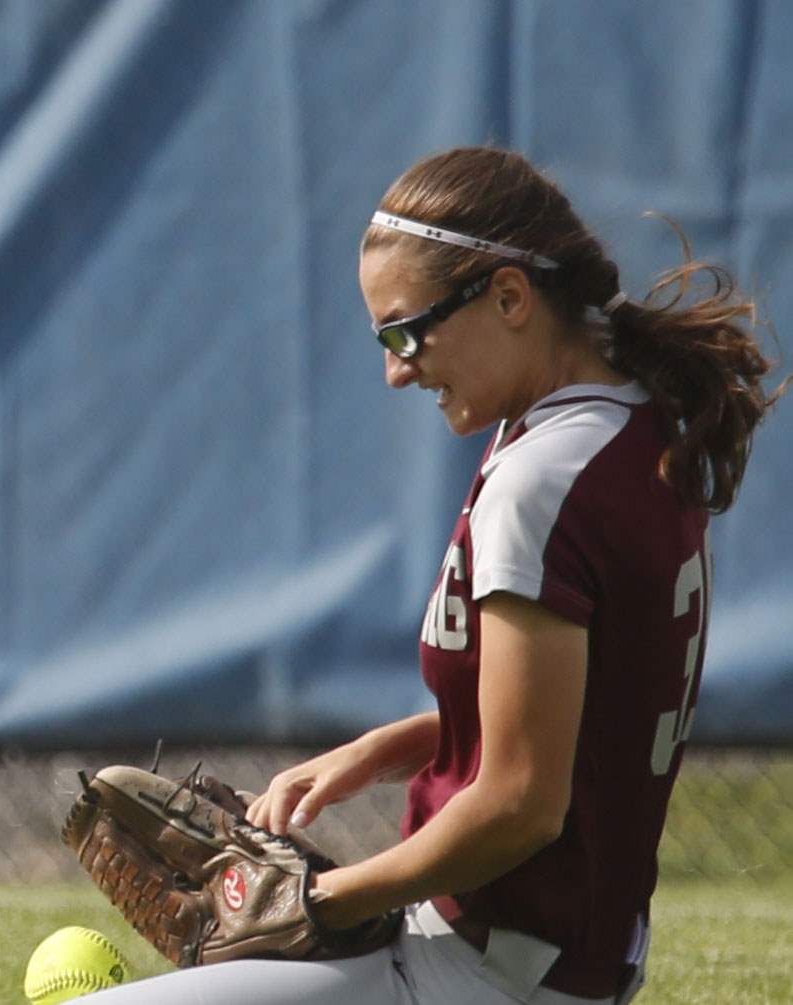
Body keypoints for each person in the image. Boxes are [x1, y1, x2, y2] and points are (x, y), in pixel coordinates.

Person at [77, 146, 783, 1005]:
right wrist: (376, 752)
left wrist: (314, 901)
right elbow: (581, 712)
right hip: (534, 962)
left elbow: (523, 802)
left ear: (509, 297)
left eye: (405, 330)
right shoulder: (627, 422)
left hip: (481, 976)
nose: (395, 368)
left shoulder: (543, 477)